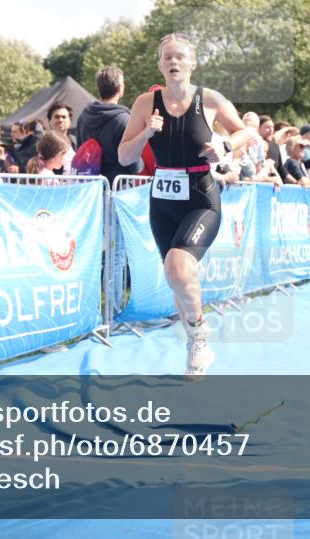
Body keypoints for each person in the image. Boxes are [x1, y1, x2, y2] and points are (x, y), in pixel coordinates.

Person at [117, 33, 252, 378]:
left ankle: (198, 334)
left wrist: (223, 144)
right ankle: (195, 338)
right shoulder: (146, 104)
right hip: (162, 199)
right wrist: (146, 133)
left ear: (192, 62)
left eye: (180, 57)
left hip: (200, 197)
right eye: (167, 58)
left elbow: (245, 134)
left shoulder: (209, 99)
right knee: (176, 276)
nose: (173, 63)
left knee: (178, 268)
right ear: (160, 64)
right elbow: (124, 155)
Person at [76, 65, 144, 183]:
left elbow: (79, 150)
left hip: (90, 189)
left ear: (99, 87)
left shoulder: (83, 117)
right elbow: (135, 165)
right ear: (120, 88)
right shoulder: (123, 119)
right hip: (118, 190)